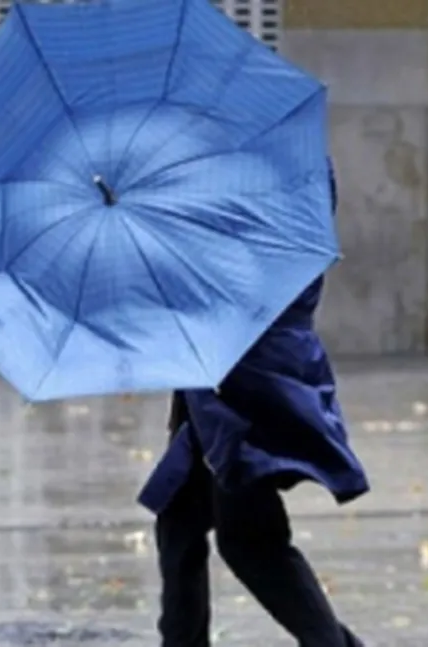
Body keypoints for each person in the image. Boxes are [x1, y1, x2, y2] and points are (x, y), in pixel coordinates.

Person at [138, 163, 369, 647]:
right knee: (178, 518)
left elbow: (246, 273)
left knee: (249, 542)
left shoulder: (274, 172)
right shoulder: (239, 164)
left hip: (245, 379)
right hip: (218, 376)